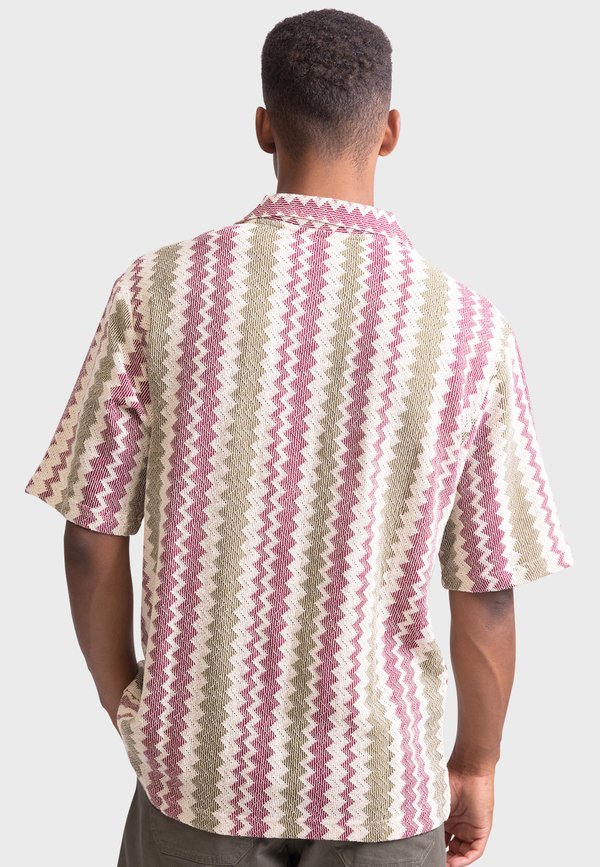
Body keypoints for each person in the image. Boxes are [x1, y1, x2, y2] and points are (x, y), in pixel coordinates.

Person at [24, 8, 575, 867]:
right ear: (389, 132)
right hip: (382, 787)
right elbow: (489, 591)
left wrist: (125, 702)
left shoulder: (157, 291)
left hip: (196, 775)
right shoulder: (467, 328)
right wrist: (476, 762)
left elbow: (91, 538)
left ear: (263, 127)